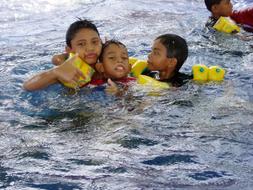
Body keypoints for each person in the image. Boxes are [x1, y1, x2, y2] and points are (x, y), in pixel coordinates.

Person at [23, 19, 102, 91]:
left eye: (95, 42)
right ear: (69, 50)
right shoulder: (68, 70)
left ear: (101, 42)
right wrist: (55, 72)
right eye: (81, 44)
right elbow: (27, 86)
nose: (90, 48)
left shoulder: (107, 60)